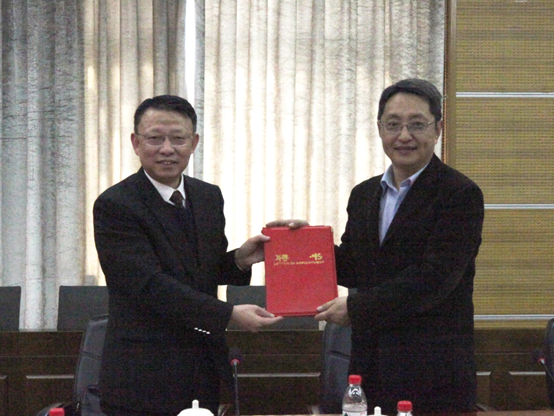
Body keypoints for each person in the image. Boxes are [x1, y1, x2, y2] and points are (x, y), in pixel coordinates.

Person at [271, 78, 484, 413]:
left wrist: (356, 309)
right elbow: (355, 266)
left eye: (417, 124)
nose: (404, 136)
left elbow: (434, 278)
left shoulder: (459, 194)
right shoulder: (365, 194)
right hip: (370, 367)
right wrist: (301, 245)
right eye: (393, 124)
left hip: (433, 372)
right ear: (380, 128)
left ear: (438, 129)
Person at [93, 95, 282, 416]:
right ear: (136, 143)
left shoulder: (207, 196)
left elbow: (201, 271)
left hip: (201, 368)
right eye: (155, 138)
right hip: (142, 375)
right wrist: (227, 314)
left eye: (178, 139)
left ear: (193, 143)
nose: (167, 149)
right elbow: (148, 285)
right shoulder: (116, 205)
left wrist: (240, 259)